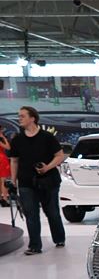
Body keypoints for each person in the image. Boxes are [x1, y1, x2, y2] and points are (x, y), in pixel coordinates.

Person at [8, 106, 66, 255]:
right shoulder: (17, 139)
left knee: (52, 212)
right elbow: (14, 161)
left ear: (32, 118)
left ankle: (59, 238)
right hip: (26, 182)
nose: (19, 118)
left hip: (49, 180)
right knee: (31, 214)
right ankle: (35, 246)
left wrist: (48, 167)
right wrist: (13, 180)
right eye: (19, 116)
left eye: (22, 116)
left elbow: (59, 155)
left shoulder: (47, 137)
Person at [0, 132, 11, 207]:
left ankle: (2, 199)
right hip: (2, 159)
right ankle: (4, 199)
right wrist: (4, 138)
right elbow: (8, 147)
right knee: (3, 180)